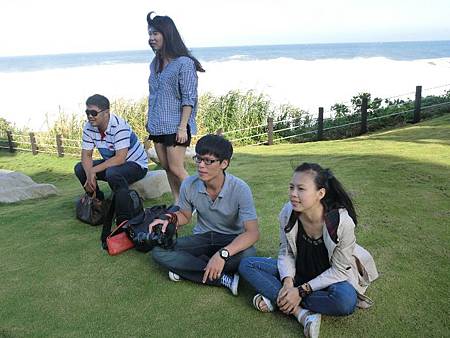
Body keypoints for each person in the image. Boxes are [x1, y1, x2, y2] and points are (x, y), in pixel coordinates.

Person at [239, 163, 378, 338]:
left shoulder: (341, 222)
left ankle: (277, 297)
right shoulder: (288, 212)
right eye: (291, 187)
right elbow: (286, 252)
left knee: (345, 302)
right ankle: (300, 312)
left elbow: (339, 270)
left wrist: (300, 291)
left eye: (301, 189)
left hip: (330, 277)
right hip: (299, 271)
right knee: (247, 264)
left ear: (320, 193)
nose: (293, 194)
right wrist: (289, 283)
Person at [150, 134, 260, 295]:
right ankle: (221, 277)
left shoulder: (240, 189)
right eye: (198, 159)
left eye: (208, 161)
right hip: (203, 237)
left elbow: (252, 232)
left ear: (224, 163)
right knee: (159, 251)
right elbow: (185, 216)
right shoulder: (189, 184)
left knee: (248, 255)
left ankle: (187, 269)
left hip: (230, 240)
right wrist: (170, 218)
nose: (201, 165)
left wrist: (223, 254)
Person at [146, 12, 205, 201]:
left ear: (167, 34)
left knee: (177, 168)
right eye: (150, 34)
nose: (151, 38)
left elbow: (189, 98)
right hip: (157, 125)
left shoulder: (184, 64)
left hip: (175, 125)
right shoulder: (155, 63)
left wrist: (183, 127)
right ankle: (178, 203)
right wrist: (150, 121)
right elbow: (154, 96)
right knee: (166, 167)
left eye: (156, 33)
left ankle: (201, 201)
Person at [74, 94, 148, 200]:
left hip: (136, 165)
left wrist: (93, 170)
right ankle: (97, 201)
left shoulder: (119, 126)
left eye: (94, 113)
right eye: (87, 112)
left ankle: (125, 211)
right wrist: (89, 175)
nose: (90, 116)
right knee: (80, 168)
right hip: (113, 165)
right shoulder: (88, 127)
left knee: (112, 173)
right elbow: (86, 155)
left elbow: (120, 159)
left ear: (106, 113)